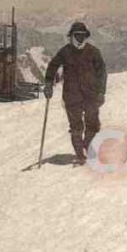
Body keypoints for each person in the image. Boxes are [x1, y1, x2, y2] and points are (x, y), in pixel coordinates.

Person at [44, 22, 107, 164]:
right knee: (76, 126)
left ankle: (87, 144)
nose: (80, 38)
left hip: (91, 95)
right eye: (77, 35)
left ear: (86, 36)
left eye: (82, 36)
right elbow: (53, 66)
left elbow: (102, 73)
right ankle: (80, 154)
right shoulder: (65, 52)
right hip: (72, 96)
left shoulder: (94, 52)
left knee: (93, 124)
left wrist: (101, 92)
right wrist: (48, 83)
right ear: (71, 36)